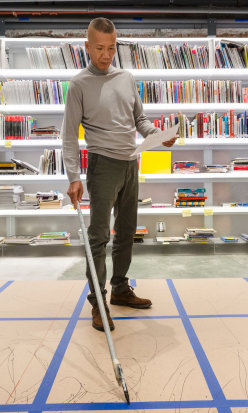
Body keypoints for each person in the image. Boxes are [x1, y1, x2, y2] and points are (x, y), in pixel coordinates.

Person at [62, 17, 177, 332]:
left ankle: (120, 289)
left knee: (126, 232)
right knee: (98, 238)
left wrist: (158, 135)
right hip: (102, 166)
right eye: (99, 48)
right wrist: (73, 176)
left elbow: (139, 119)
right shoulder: (78, 85)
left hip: (130, 164)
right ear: (87, 46)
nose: (105, 55)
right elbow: (69, 136)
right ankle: (98, 302)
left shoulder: (126, 77)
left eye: (111, 48)